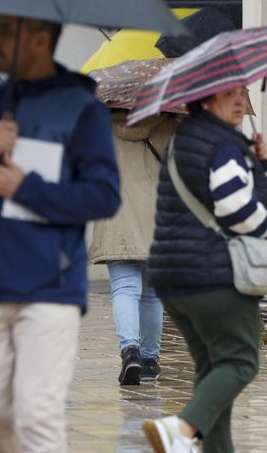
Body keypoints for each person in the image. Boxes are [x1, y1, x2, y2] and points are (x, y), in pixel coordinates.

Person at [0, 15, 120, 452]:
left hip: (50, 286)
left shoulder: (83, 110)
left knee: (38, 417)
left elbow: (103, 196)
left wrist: (28, 188)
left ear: (38, 39)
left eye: (4, 31)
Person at [143, 87, 263, 453]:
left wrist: (257, 164)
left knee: (214, 369)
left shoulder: (184, 139)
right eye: (230, 94)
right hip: (214, 277)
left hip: (172, 276)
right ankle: (181, 429)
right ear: (206, 98)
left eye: (242, 92)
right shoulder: (223, 145)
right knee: (240, 361)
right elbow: (237, 210)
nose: (240, 101)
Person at [89, 111, 177, 386]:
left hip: (117, 213)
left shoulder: (100, 125)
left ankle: (130, 353)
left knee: (125, 288)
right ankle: (150, 361)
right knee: (152, 293)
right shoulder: (169, 123)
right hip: (158, 215)